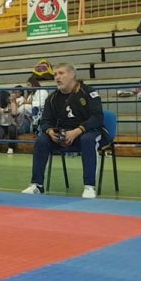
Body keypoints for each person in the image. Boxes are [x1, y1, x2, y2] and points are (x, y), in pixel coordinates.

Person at [22, 63, 104, 199]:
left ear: (72, 75)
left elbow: (97, 117)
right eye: (55, 74)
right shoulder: (52, 98)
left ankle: (89, 186)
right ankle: (37, 185)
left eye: (61, 73)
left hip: (89, 132)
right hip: (63, 135)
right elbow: (45, 121)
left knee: (88, 139)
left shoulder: (89, 93)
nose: (57, 77)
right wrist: (49, 131)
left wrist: (78, 131)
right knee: (42, 140)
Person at [0, 90, 17, 154]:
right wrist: (3, 111)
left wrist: (13, 102)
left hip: (10, 124)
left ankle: (11, 148)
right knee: (0, 133)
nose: (8, 99)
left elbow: (14, 113)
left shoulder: (10, 103)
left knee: (13, 130)